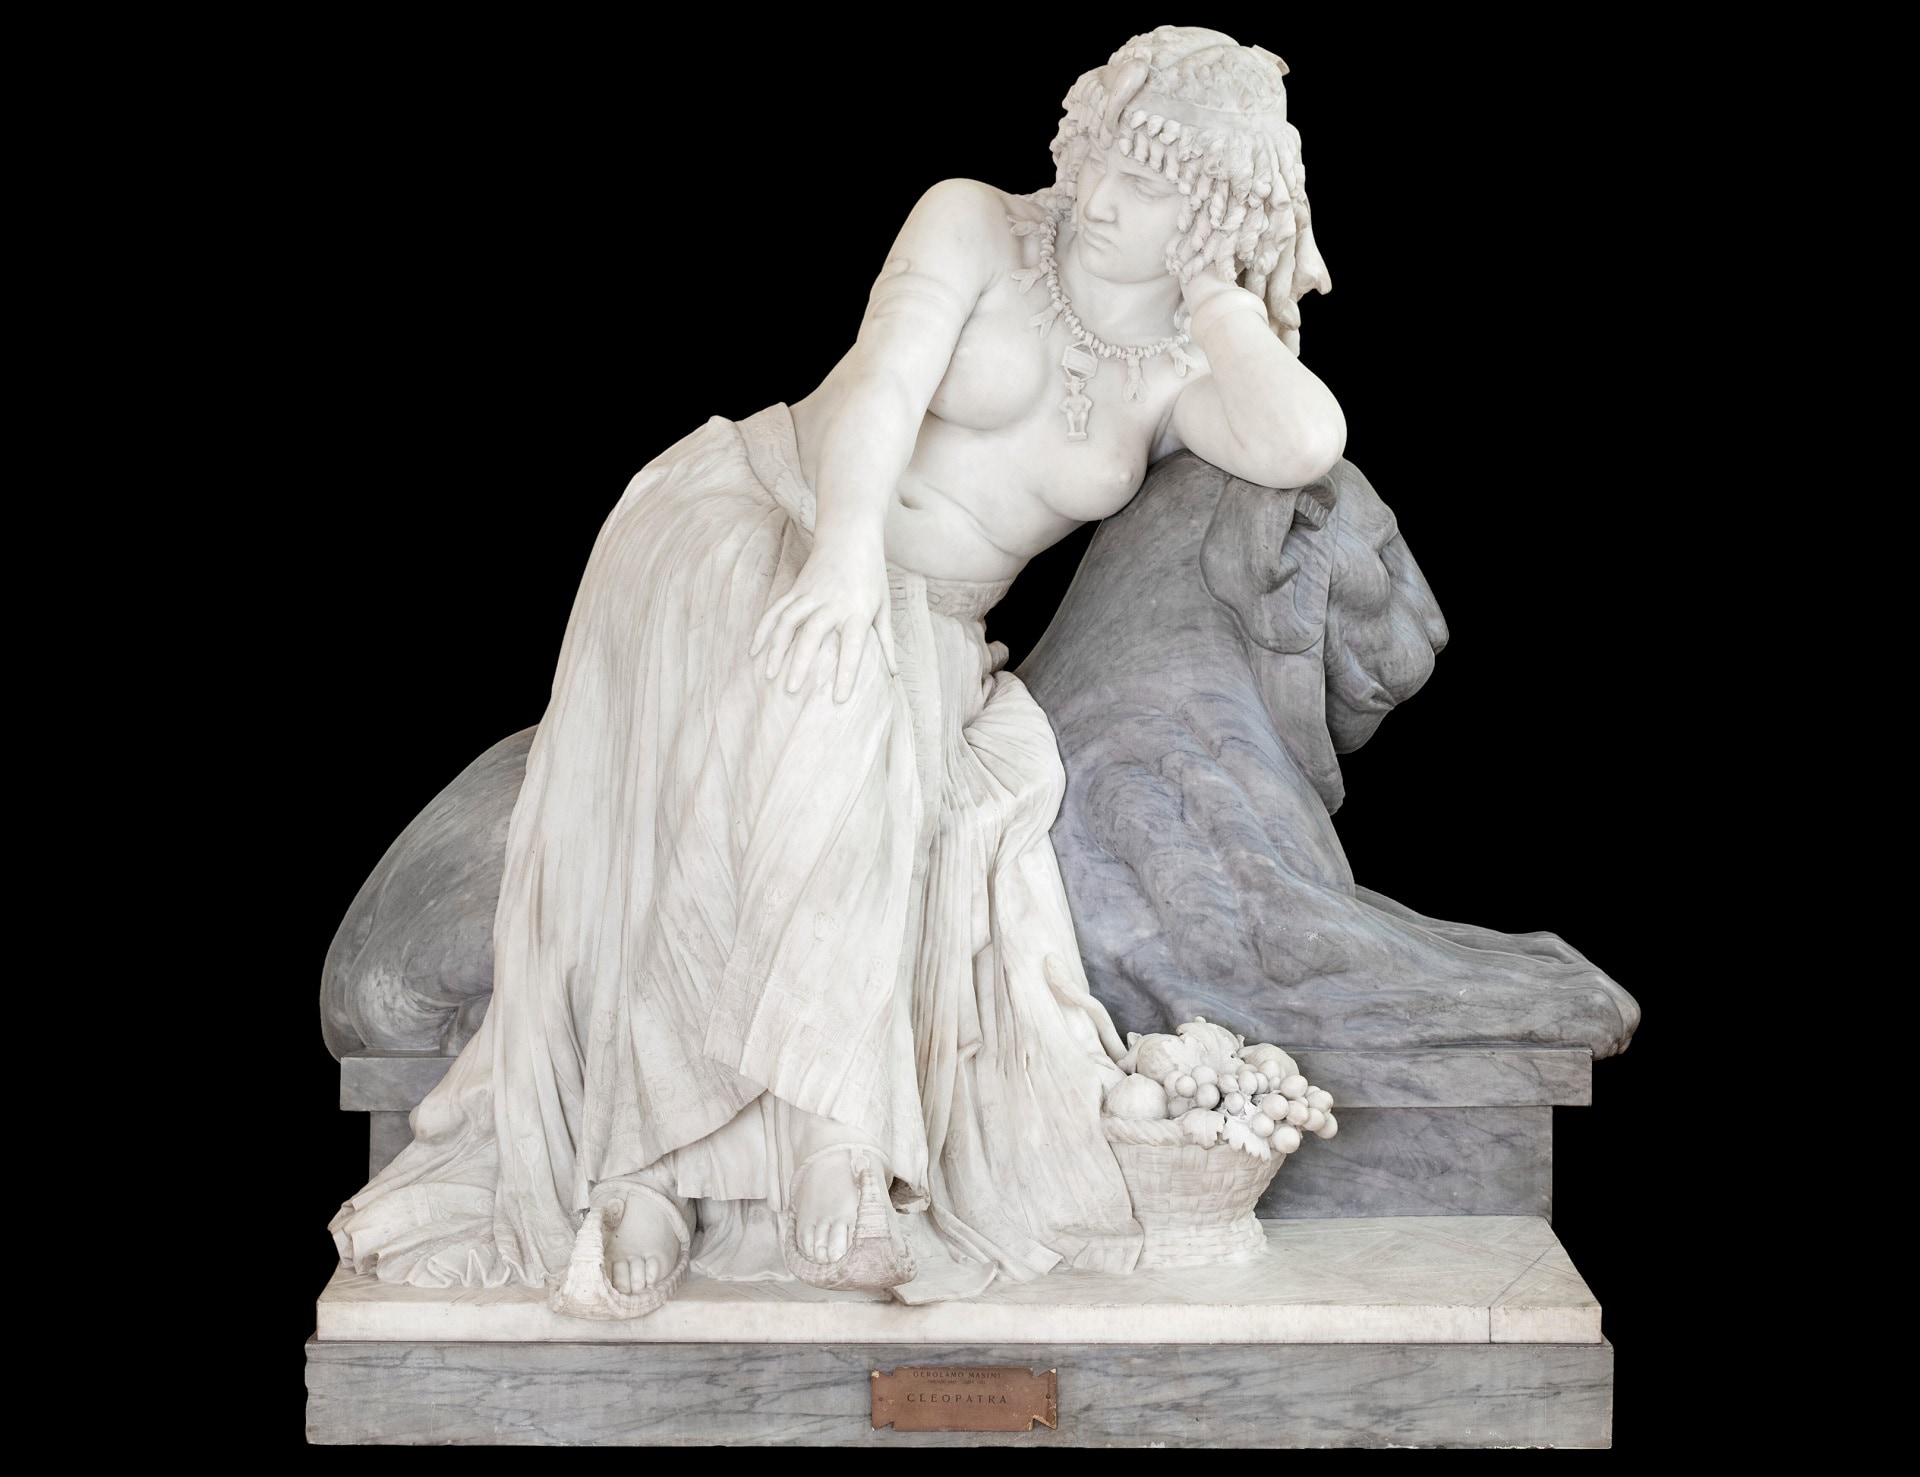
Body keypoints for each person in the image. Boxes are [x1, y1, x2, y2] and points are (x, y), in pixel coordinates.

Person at [330, 25, 1345, 1317]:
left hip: (926, 617)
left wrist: (1218, 296)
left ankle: (775, 1150)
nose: (1097, 197)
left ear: (1209, 213)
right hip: (772, 517)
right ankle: (728, 1157)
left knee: (859, 745)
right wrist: (847, 556)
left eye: (1147, 185)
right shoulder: (976, 224)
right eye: (1098, 154)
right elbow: (880, 382)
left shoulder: (1186, 371)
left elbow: (1302, 440)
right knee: (815, 703)